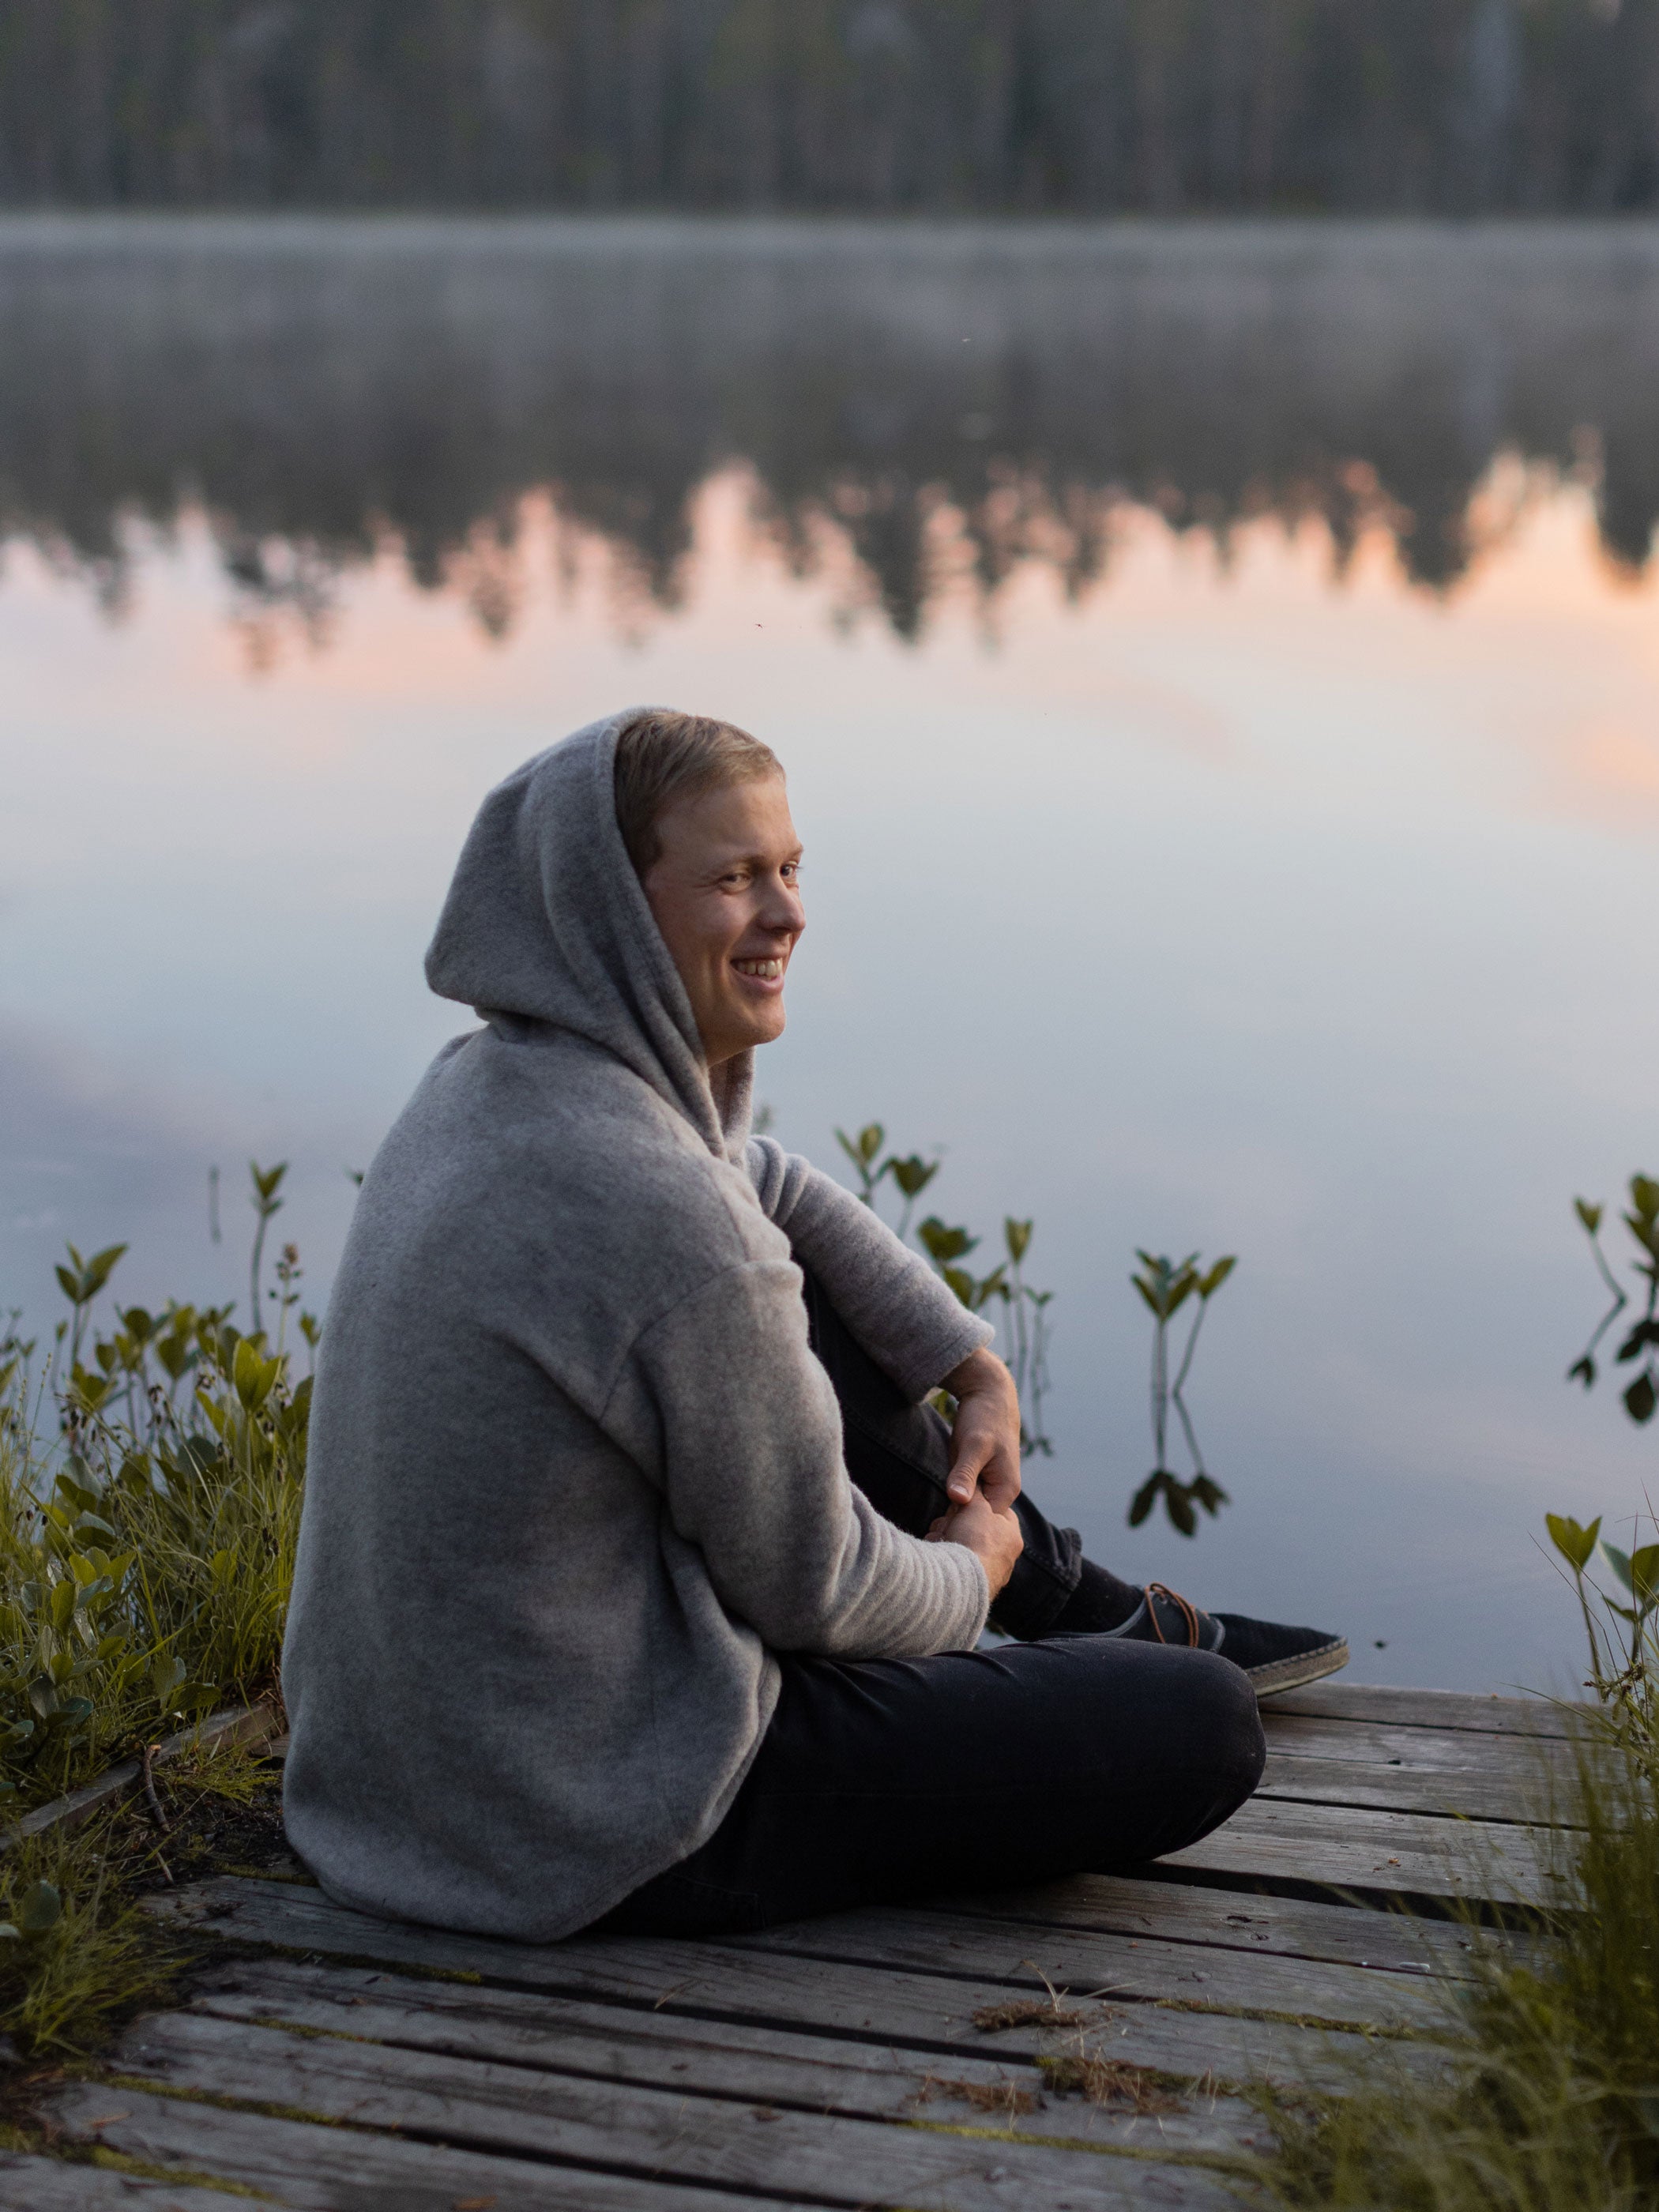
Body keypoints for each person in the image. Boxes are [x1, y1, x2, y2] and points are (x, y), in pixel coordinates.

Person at [280, 707, 1345, 1944]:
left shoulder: (489, 1085)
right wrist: (973, 1574)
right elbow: (821, 1590)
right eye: (733, 879)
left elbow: (761, 1179)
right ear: (611, 908)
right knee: (1196, 1721)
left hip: (405, 1784)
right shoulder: (658, 1212)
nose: (786, 914)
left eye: (789, 870)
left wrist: (968, 1357)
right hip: (601, 1820)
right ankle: (1086, 1620)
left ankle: (1087, 1608)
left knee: (822, 1299)